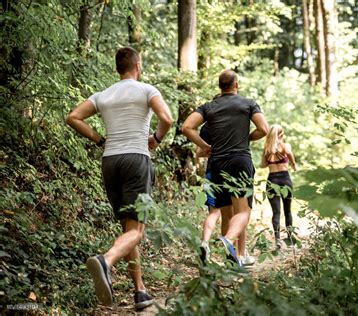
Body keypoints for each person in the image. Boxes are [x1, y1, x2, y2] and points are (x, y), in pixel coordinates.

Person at [66, 47, 173, 310]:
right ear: (138, 65)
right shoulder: (147, 90)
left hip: (110, 161)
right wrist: (156, 139)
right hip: (136, 158)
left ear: (117, 68)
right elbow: (167, 118)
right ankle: (106, 260)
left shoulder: (103, 95)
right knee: (136, 231)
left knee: (128, 229)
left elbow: (73, 117)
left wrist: (100, 139)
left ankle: (140, 291)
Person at [182, 70, 268, 266]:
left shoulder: (209, 107)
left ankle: (231, 260)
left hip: (217, 164)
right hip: (239, 161)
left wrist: (204, 146)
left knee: (226, 213)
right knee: (243, 212)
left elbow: (187, 127)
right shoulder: (248, 104)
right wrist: (246, 137)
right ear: (236, 84)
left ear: (220, 86)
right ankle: (228, 241)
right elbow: (264, 129)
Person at [198, 123, 255, 266]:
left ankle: (207, 243)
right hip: (237, 165)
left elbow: (198, 152)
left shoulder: (206, 127)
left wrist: (210, 149)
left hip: (214, 170)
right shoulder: (237, 123)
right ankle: (240, 254)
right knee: (241, 212)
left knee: (220, 214)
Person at [261, 124, 297, 249]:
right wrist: (293, 164)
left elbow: (263, 165)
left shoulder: (266, 149)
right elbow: (292, 158)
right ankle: (290, 239)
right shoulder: (286, 146)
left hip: (272, 181)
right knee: (287, 211)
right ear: (281, 134)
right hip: (285, 180)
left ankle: (277, 240)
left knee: (276, 212)